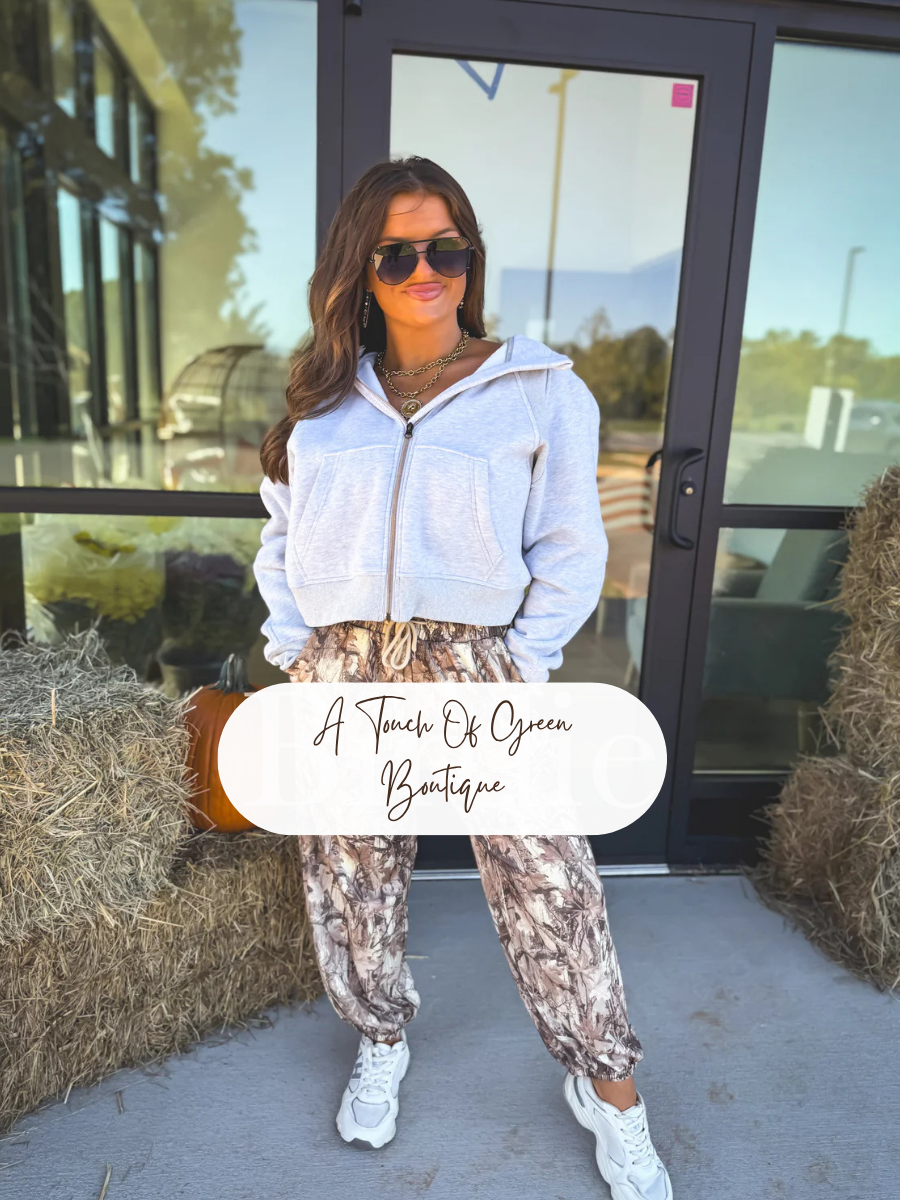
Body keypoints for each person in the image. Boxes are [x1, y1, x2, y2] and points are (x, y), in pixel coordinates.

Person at [253, 155, 672, 1200]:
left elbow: (572, 544)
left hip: (478, 663)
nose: (426, 271)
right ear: (360, 269)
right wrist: (295, 648)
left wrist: (521, 662)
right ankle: (381, 1035)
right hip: (342, 665)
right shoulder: (322, 401)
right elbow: (283, 536)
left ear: (471, 259)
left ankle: (610, 1088)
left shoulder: (539, 390)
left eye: (447, 248)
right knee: (352, 877)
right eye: (397, 254)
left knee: (551, 880)